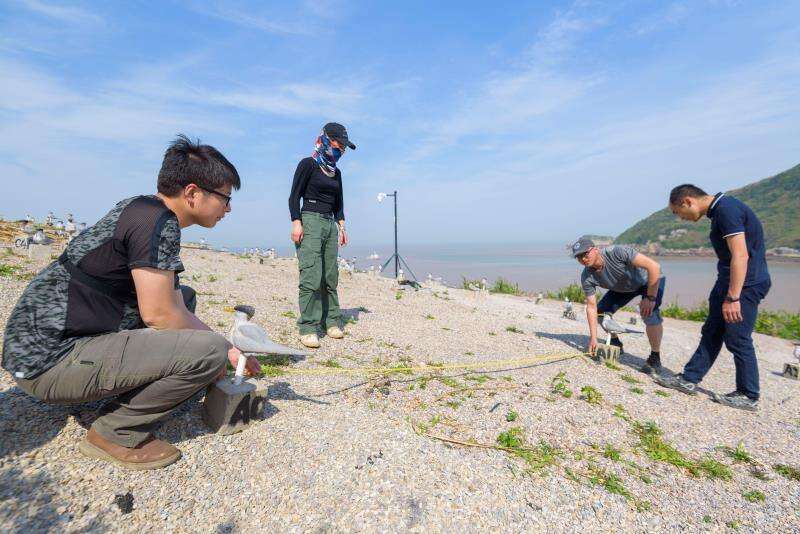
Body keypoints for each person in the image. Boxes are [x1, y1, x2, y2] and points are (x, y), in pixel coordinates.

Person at [2, 135, 261, 470]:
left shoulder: (141, 208)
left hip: (35, 347)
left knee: (186, 298)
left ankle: (115, 393)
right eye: (225, 198)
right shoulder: (158, 223)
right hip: (48, 362)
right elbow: (159, 315)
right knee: (209, 351)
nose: (228, 208)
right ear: (193, 193)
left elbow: (173, 304)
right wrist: (225, 350)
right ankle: (115, 432)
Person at [655, 185, 770, 411]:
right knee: (712, 331)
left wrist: (733, 298)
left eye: (678, 212)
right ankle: (689, 379)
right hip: (727, 282)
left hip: (745, 285)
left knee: (737, 337)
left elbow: (741, 255)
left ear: (688, 201)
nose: (680, 218)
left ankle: (749, 394)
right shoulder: (719, 211)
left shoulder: (727, 209)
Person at [288, 122, 355, 349]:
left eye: (344, 148)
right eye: (339, 145)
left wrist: (342, 227)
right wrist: (296, 222)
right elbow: (294, 196)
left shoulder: (337, 173)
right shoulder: (308, 164)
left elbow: (339, 203)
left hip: (329, 224)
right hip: (310, 220)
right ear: (325, 140)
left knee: (330, 276)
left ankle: (331, 321)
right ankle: (308, 327)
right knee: (311, 275)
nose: (341, 150)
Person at [571, 237, 665, 374]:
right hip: (624, 288)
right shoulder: (587, 277)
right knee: (601, 312)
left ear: (596, 249)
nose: (583, 259)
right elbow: (591, 307)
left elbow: (654, 267)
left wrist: (650, 298)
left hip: (649, 280)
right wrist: (593, 339)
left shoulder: (617, 252)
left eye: (585, 254)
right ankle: (615, 343)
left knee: (649, 312)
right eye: (578, 257)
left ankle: (655, 357)